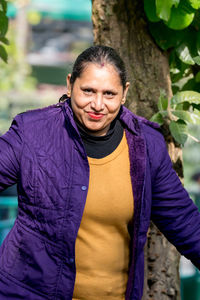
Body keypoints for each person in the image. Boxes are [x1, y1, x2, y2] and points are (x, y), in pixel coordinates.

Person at [0, 45, 200, 300]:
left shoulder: (146, 145)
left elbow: (185, 223)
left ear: (125, 93)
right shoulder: (32, 132)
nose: (97, 104)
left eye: (109, 94)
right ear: (70, 84)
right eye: (88, 91)